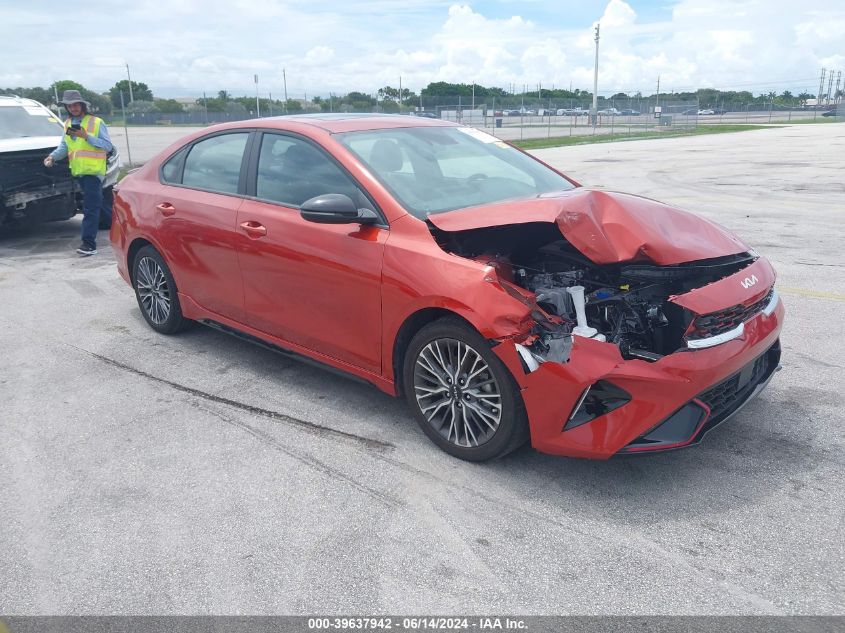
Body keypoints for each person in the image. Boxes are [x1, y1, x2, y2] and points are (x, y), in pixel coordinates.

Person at [44, 89, 114, 256]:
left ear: (82, 105)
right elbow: (65, 146)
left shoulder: (96, 123)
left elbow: (107, 146)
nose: (73, 108)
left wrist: (87, 136)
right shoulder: (68, 124)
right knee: (97, 204)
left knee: (90, 208)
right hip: (79, 172)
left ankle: (89, 244)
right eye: (69, 105)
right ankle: (118, 224)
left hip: (93, 172)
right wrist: (52, 157)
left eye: (76, 104)